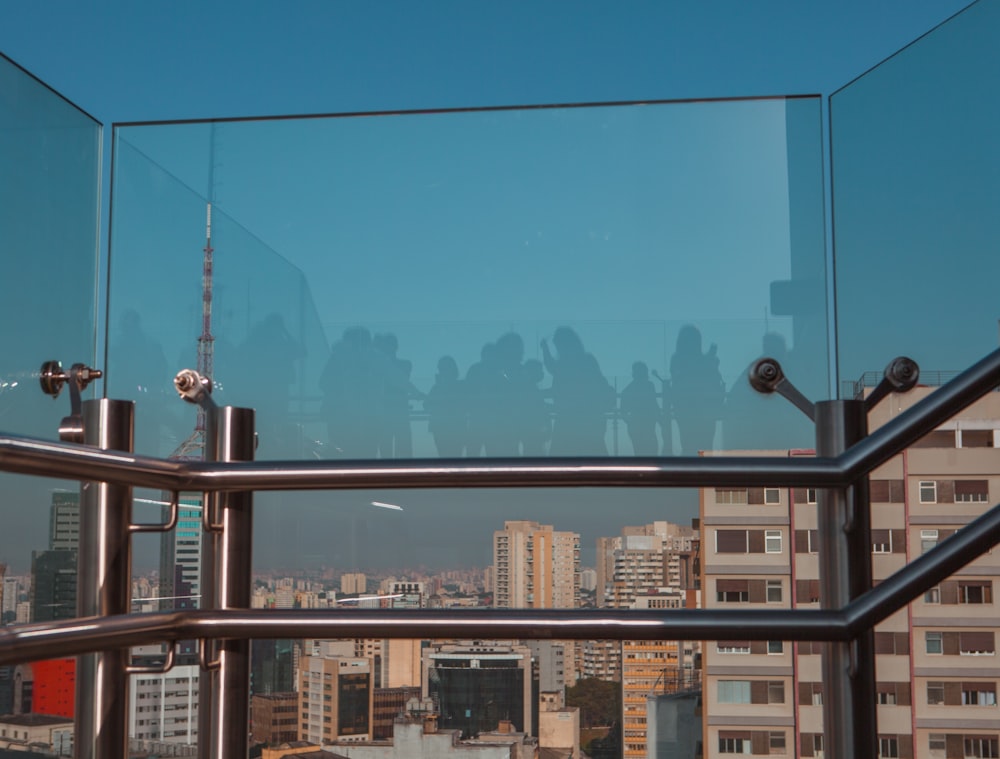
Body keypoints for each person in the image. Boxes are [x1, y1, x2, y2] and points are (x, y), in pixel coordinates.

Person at [669, 324, 725, 455]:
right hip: (691, 409)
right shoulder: (678, 359)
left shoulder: (680, 359)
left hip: (703, 409)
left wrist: (710, 361)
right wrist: (708, 361)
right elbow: (683, 375)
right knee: (691, 443)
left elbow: (713, 379)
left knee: (702, 445)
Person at [620, 361, 661, 455]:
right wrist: (659, 419)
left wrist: (630, 421)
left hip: (637, 427)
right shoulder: (649, 386)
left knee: (640, 452)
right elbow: (654, 405)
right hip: (647, 426)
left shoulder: (628, 390)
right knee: (652, 451)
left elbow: (623, 412)